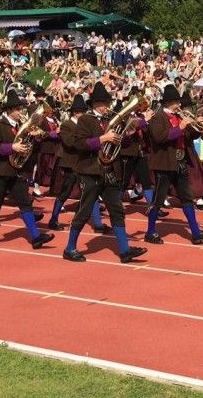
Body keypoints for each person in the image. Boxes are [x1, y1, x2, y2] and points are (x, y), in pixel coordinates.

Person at [62, 82, 147, 263]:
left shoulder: (110, 120)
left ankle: (124, 250)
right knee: (84, 211)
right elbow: (79, 144)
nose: (107, 107)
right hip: (90, 170)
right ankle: (70, 248)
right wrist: (103, 138)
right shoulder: (86, 120)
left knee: (117, 210)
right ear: (95, 104)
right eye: (103, 103)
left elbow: (119, 146)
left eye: (107, 103)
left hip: (109, 170)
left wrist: (127, 135)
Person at [0, 90, 53, 249]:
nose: (22, 112)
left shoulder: (23, 126)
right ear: (9, 110)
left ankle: (35, 237)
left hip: (17, 171)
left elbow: (30, 148)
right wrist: (11, 147)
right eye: (18, 109)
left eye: (22, 108)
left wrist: (36, 137)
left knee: (25, 203)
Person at [146, 84, 203, 245]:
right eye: (176, 102)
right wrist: (180, 127)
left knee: (187, 198)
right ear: (168, 103)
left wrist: (198, 126)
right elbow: (159, 137)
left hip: (180, 162)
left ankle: (196, 233)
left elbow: (190, 136)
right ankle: (150, 231)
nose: (179, 105)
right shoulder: (158, 117)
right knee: (158, 199)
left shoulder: (179, 116)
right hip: (164, 164)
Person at [47, 95, 108, 233]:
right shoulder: (67, 125)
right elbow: (70, 143)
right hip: (70, 164)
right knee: (64, 193)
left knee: (91, 193)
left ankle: (98, 224)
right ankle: (53, 219)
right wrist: (85, 141)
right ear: (75, 112)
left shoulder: (87, 123)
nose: (84, 114)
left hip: (84, 163)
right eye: (81, 112)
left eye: (84, 111)